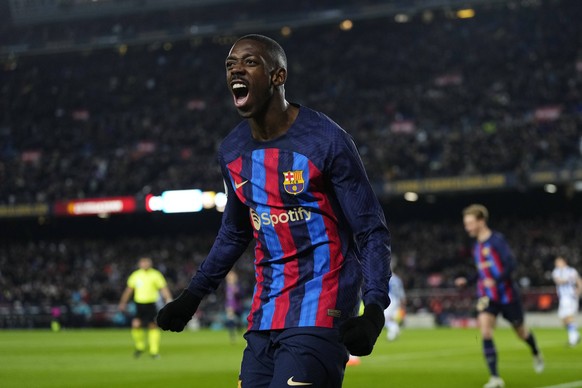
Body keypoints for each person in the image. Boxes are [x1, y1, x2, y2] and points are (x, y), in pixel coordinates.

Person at [156, 34, 392, 387]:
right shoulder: (232, 151)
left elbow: (370, 230)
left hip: (320, 308)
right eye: (230, 64)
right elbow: (235, 232)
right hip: (265, 313)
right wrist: (192, 297)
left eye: (249, 62)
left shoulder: (325, 140)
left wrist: (373, 309)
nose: (236, 69)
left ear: (278, 76)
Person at [455, 204, 543, 388]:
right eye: (466, 223)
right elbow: (481, 272)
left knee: (521, 332)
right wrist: (468, 281)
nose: (467, 227)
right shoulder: (476, 246)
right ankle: (495, 378)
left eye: (470, 223)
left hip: (507, 295)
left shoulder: (497, 241)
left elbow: (511, 265)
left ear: (481, 221)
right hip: (486, 295)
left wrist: (496, 280)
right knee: (485, 331)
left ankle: (535, 351)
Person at [118, 257, 172, 359]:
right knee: (136, 324)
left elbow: (163, 288)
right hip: (139, 303)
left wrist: (168, 299)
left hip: (151, 303)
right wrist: (123, 302)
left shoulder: (156, 274)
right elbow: (129, 290)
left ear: (150, 263)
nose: (145, 264)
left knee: (153, 326)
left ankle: (154, 351)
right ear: (139, 264)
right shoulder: (136, 275)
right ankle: (140, 347)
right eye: (143, 262)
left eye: (147, 262)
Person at [552, 256, 581, 346]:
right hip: (562, 297)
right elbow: (559, 281)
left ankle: (573, 339)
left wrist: (579, 290)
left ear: (564, 262)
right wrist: (569, 279)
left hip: (570, 296)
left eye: (559, 262)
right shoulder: (556, 272)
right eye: (556, 262)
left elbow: (579, 281)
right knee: (563, 318)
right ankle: (575, 334)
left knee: (568, 315)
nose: (557, 264)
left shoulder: (572, 270)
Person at [384, 271, 406, 341]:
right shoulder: (397, 279)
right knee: (391, 318)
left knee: (385, 319)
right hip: (397, 300)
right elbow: (401, 292)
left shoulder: (387, 277)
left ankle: (393, 329)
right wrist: (402, 302)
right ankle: (394, 332)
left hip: (390, 299)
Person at [225, 270, 244, 343]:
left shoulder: (237, 286)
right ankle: (232, 336)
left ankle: (239, 330)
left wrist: (237, 292)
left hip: (238, 306)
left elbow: (241, 295)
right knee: (231, 320)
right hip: (230, 306)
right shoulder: (227, 286)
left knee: (239, 321)